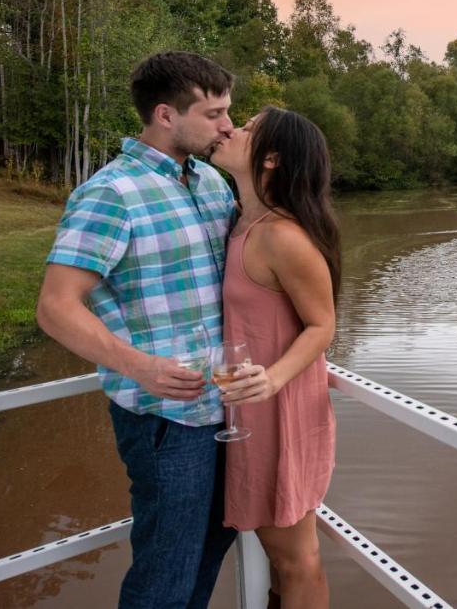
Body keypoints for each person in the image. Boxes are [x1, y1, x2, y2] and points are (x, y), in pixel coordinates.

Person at [36, 51, 239, 608]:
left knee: (211, 550)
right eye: (215, 113)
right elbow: (56, 306)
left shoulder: (212, 183)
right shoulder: (111, 193)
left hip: (224, 409)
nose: (228, 126)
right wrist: (139, 366)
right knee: (165, 571)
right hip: (164, 421)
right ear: (165, 115)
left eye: (229, 112)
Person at [210, 106, 339, 608]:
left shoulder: (283, 235)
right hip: (252, 411)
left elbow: (322, 324)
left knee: (295, 559)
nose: (229, 129)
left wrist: (273, 378)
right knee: (281, 561)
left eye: (244, 129)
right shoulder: (244, 221)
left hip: (280, 411)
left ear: (271, 158)